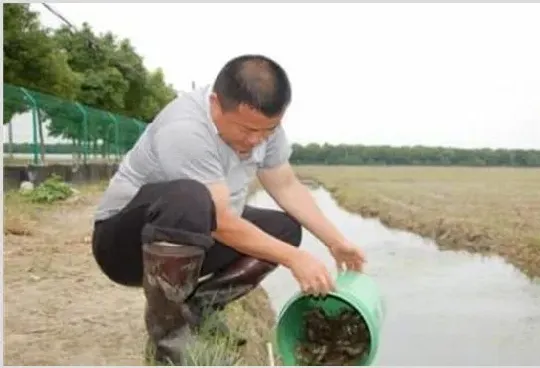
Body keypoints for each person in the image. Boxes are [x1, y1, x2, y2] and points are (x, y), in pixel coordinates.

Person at [90, 54, 366, 364]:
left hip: (194, 234)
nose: (256, 140)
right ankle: (170, 342)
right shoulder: (185, 129)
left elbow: (286, 185)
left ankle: (197, 312)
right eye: (247, 130)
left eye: (268, 130)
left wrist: (336, 241)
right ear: (216, 103)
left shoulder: (263, 128)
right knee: (190, 197)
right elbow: (220, 221)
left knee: (285, 230)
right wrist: (294, 259)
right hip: (124, 245)